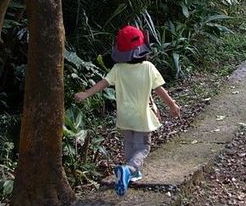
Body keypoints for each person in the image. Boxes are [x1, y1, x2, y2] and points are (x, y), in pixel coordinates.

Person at [74, 25, 181, 196]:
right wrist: (172, 105)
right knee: (143, 147)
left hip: (125, 117)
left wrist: (86, 93)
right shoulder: (148, 68)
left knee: (130, 144)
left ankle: (133, 173)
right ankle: (129, 169)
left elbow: (103, 83)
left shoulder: (118, 69)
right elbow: (160, 90)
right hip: (142, 117)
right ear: (142, 48)